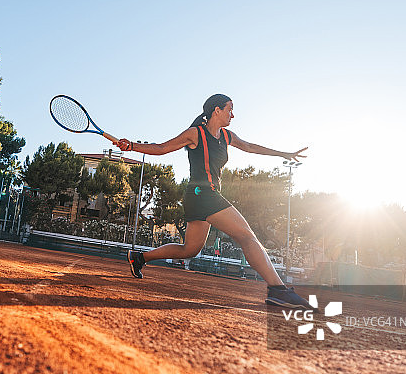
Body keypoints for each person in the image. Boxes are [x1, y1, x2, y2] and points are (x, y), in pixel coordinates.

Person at [115, 94, 312, 309]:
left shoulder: (226, 136)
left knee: (189, 250)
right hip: (203, 194)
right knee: (247, 236)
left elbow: (250, 147)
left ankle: (139, 257)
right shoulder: (195, 134)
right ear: (216, 110)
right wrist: (132, 146)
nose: (233, 114)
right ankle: (278, 290)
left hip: (200, 197)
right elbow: (162, 148)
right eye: (230, 109)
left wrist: (284, 153)